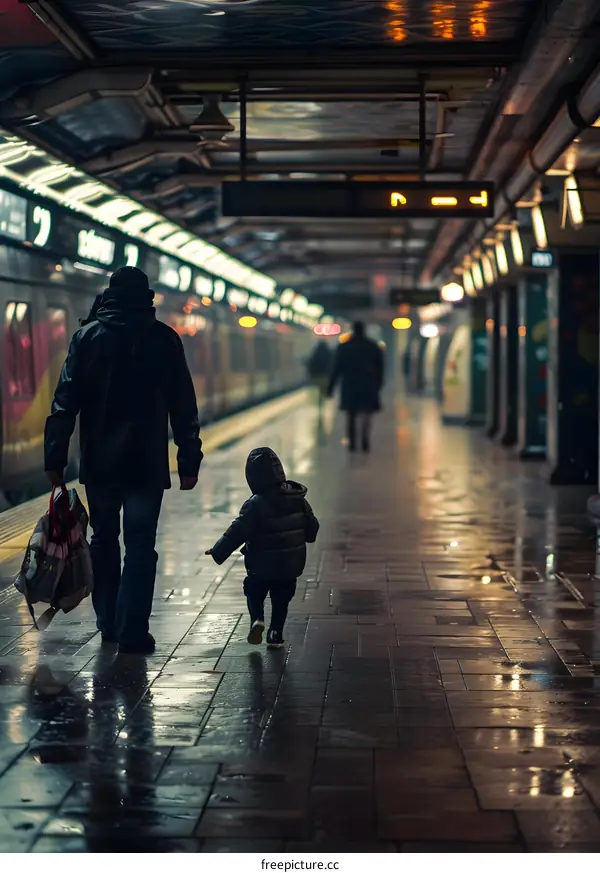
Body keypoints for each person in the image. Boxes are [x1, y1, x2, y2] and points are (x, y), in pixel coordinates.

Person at [44, 266, 203, 654]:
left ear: (109, 296)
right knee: (141, 544)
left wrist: (55, 457)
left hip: (100, 463)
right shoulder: (165, 340)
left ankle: (108, 623)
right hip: (147, 463)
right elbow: (183, 403)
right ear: (147, 299)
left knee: (103, 540)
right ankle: (133, 630)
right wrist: (188, 456)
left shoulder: (87, 338)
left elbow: (65, 402)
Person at [205, 447, 319, 649]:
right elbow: (312, 529)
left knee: (254, 590)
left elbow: (237, 531)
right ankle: (275, 633)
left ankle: (257, 619)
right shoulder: (298, 499)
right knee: (281, 599)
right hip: (290, 566)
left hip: (261, 564)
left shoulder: (255, 504)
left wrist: (218, 551)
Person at [328, 321, 384, 453]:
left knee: (351, 415)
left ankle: (352, 443)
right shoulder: (373, 346)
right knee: (366, 414)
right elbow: (380, 368)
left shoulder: (344, 347)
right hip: (368, 385)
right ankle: (365, 440)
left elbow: (336, 369)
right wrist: (378, 384)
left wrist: (331, 387)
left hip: (350, 385)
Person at [306, 341, 333, 406]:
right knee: (324, 391)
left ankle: (319, 402)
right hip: (325, 377)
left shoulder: (315, 354)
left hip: (316, 377)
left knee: (317, 391)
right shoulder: (329, 353)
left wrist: (310, 376)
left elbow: (310, 365)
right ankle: (323, 402)